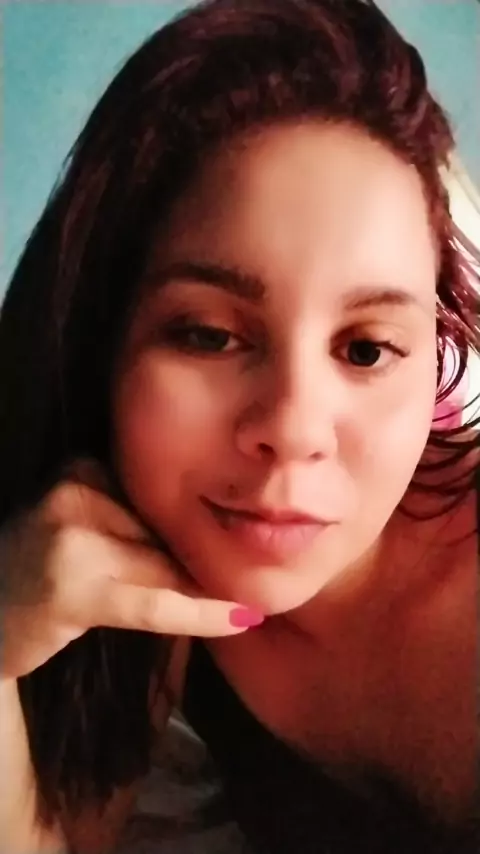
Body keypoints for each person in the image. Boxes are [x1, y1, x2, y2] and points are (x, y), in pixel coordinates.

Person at [0, 0, 478, 851]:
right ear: (103, 342)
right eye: (210, 336)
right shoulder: (138, 589)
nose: (293, 428)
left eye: (367, 349)